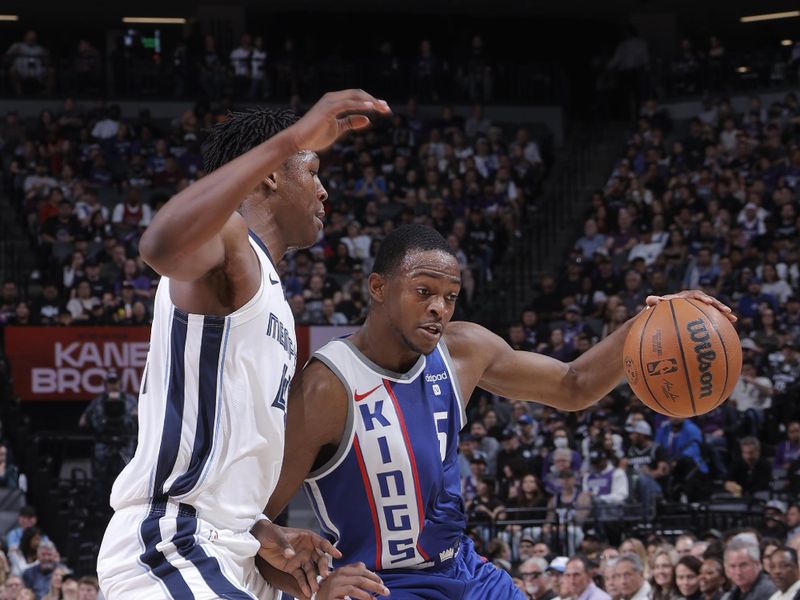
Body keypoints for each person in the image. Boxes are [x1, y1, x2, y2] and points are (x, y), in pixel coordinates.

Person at [265, 224, 733, 597]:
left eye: (449, 297)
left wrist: (650, 319)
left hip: (463, 570)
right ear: (378, 287)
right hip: (384, 584)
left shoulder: (462, 350)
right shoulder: (328, 385)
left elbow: (574, 385)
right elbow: (251, 522)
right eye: (423, 291)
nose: (438, 309)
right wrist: (317, 588)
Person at [97, 90, 393, 600]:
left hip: (228, 552)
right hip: (175, 544)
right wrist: (293, 138)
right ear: (273, 174)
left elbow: (221, 460)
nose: (324, 192)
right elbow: (158, 246)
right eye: (313, 171)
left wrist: (260, 530)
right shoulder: (231, 244)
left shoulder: (273, 294)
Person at [724, 536, 777, 600]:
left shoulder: (769, 591)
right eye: (733, 566)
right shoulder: (734, 592)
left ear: (757, 564)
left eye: (743, 565)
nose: (738, 572)